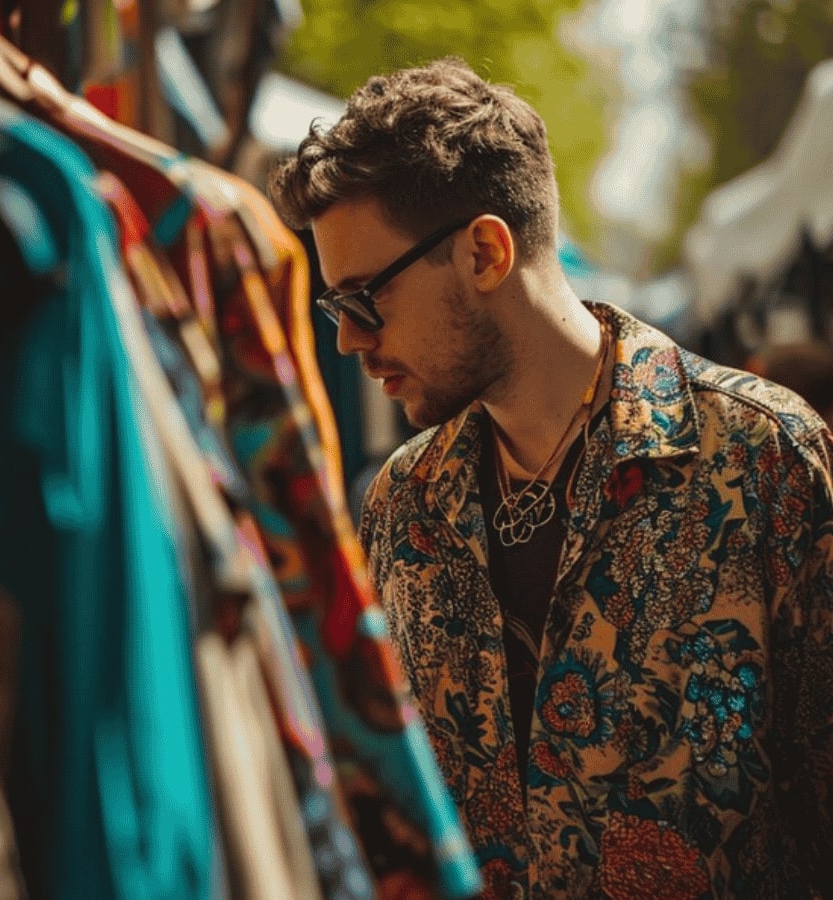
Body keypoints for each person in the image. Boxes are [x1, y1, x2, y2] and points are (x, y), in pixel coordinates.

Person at [268, 57, 833, 898]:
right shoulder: (402, 505)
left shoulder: (764, 458)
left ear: (486, 252)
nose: (348, 341)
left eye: (363, 299)